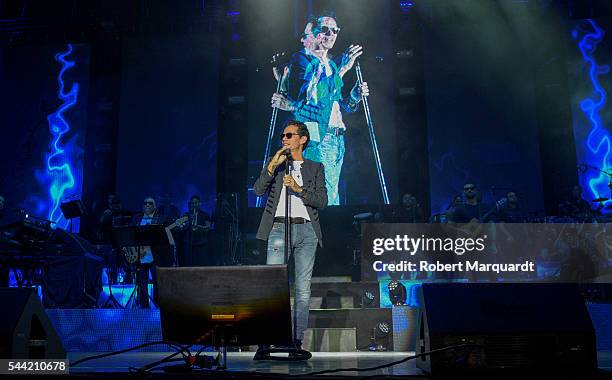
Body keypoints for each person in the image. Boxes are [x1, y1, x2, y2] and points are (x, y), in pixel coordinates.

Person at [271, 15, 369, 205]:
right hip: (317, 136)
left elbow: (336, 105)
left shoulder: (330, 64)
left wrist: (355, 96)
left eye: (335, 30)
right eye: (324, 30)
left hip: (336, 138)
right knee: (320, 196)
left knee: (331, 196)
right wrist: (342, 69)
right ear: (309, 36)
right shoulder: (301, 60)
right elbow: (308, 98)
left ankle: (326, 232)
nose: (330, 34)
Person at [253, 120, 327, 353]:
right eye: (283, 135)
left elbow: (322, 201)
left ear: (302, 139)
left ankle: (296, 339)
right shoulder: (278, 166)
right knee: (272, 286)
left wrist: (298, 189)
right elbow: (257, 190)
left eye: (289, 135)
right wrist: (272, 165)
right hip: (278, 229)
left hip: (307, 231)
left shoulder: (315, 167)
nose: (284, 139)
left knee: (302, 289)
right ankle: (269, 336)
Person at [129, 196, 169, 308]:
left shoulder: (161, 218)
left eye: (150, 203)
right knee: (142, 282)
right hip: (140, 254)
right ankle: (144, 306)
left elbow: (164, 236)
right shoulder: (136, 218)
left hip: (155, 254)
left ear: (155, 207)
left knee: (157, 281)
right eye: (145, 203)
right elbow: (130, 234)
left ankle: (158, 305)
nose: (147, 205)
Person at [177, 195, 212, 266]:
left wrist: (199, 227)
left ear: (199, 204)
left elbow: (208, 228)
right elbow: (180, 227)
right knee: (188, 264)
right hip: (188, 243)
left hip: (201, 244)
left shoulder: (205, 215)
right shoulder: (186, 215)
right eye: (192, 203)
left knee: (200, 264)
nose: (194, 205)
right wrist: (188, 222)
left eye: (196, 203)